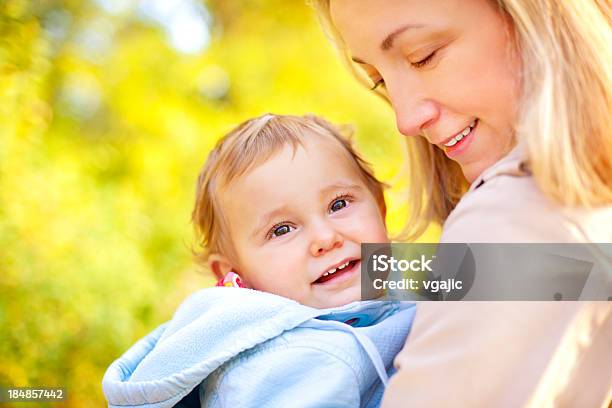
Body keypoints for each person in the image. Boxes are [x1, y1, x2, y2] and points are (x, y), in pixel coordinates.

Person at [310, 0, 612, 406]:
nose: (405, 119)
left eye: (423, 55)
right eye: (379, 79)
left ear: (533, 15)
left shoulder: (510, 219)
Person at [102, 114, 417, 408]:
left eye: (338, 204)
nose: (325, 238)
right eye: (281, 230)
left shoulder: (398, 274)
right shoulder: (292, 364)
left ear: (380, 207)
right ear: (235, 277)